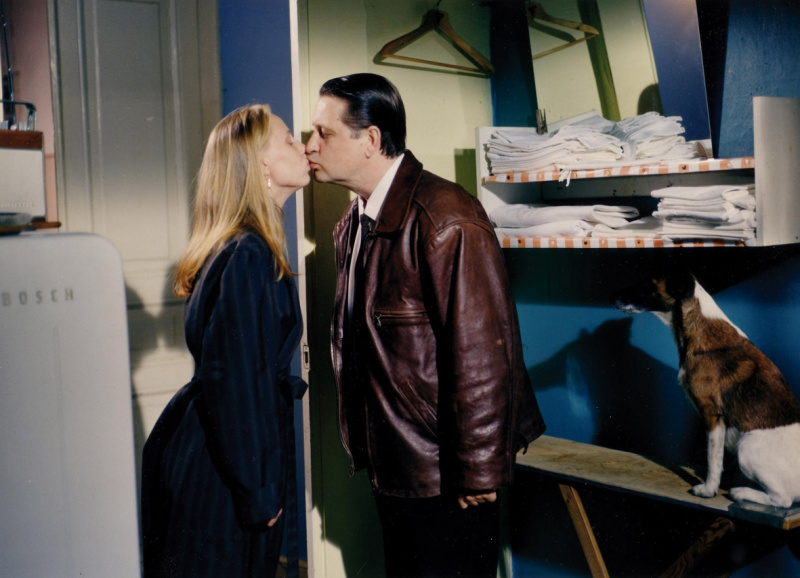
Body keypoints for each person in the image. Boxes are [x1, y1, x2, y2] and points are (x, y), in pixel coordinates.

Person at [306, 73, 545, 577]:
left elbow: (484, 357)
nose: (311, 146)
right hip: (399, 467)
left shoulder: (445, 216)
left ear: (371, 140)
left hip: (447, 476)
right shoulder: (353, 224)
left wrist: (479, 470)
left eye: (324, 133)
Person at [141, 104, 310, 577]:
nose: (302, 145)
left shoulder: (240, 246)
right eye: (288, 139)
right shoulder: (249, 254)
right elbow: (236, 382)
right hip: (222, 471)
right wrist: (259, 491)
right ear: (261, 165)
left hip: (213, 457)